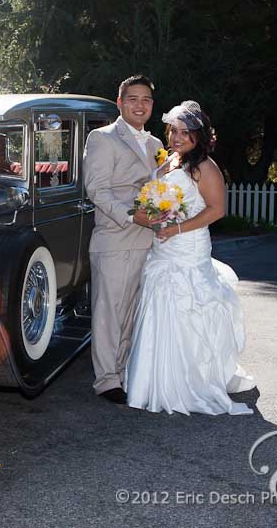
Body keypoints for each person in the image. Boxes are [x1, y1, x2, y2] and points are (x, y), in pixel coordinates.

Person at [125, 100, 255, 415]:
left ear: (199, 135)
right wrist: (154, 218)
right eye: (173, 131)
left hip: (190, 248)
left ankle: (192, 380)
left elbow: (217, 210)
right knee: (159, 306)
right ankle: (153, 380)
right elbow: (151, 202)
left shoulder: (205, 167)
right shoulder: (166, 163)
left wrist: (178, 227)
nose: (177, 137)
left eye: (185, 132)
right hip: (163, 247)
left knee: (189, 309)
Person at [82, 75, 164, 404]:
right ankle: (106, 381)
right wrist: (132, 216)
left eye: (146, 99)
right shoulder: (102, 138)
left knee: (132, 313)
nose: (139, 105)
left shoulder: (157, 145)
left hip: (148, 241)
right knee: (109, 313)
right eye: (133, 98)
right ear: (120, 102)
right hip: (115, 238)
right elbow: (97, 190)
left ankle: (122, 370)